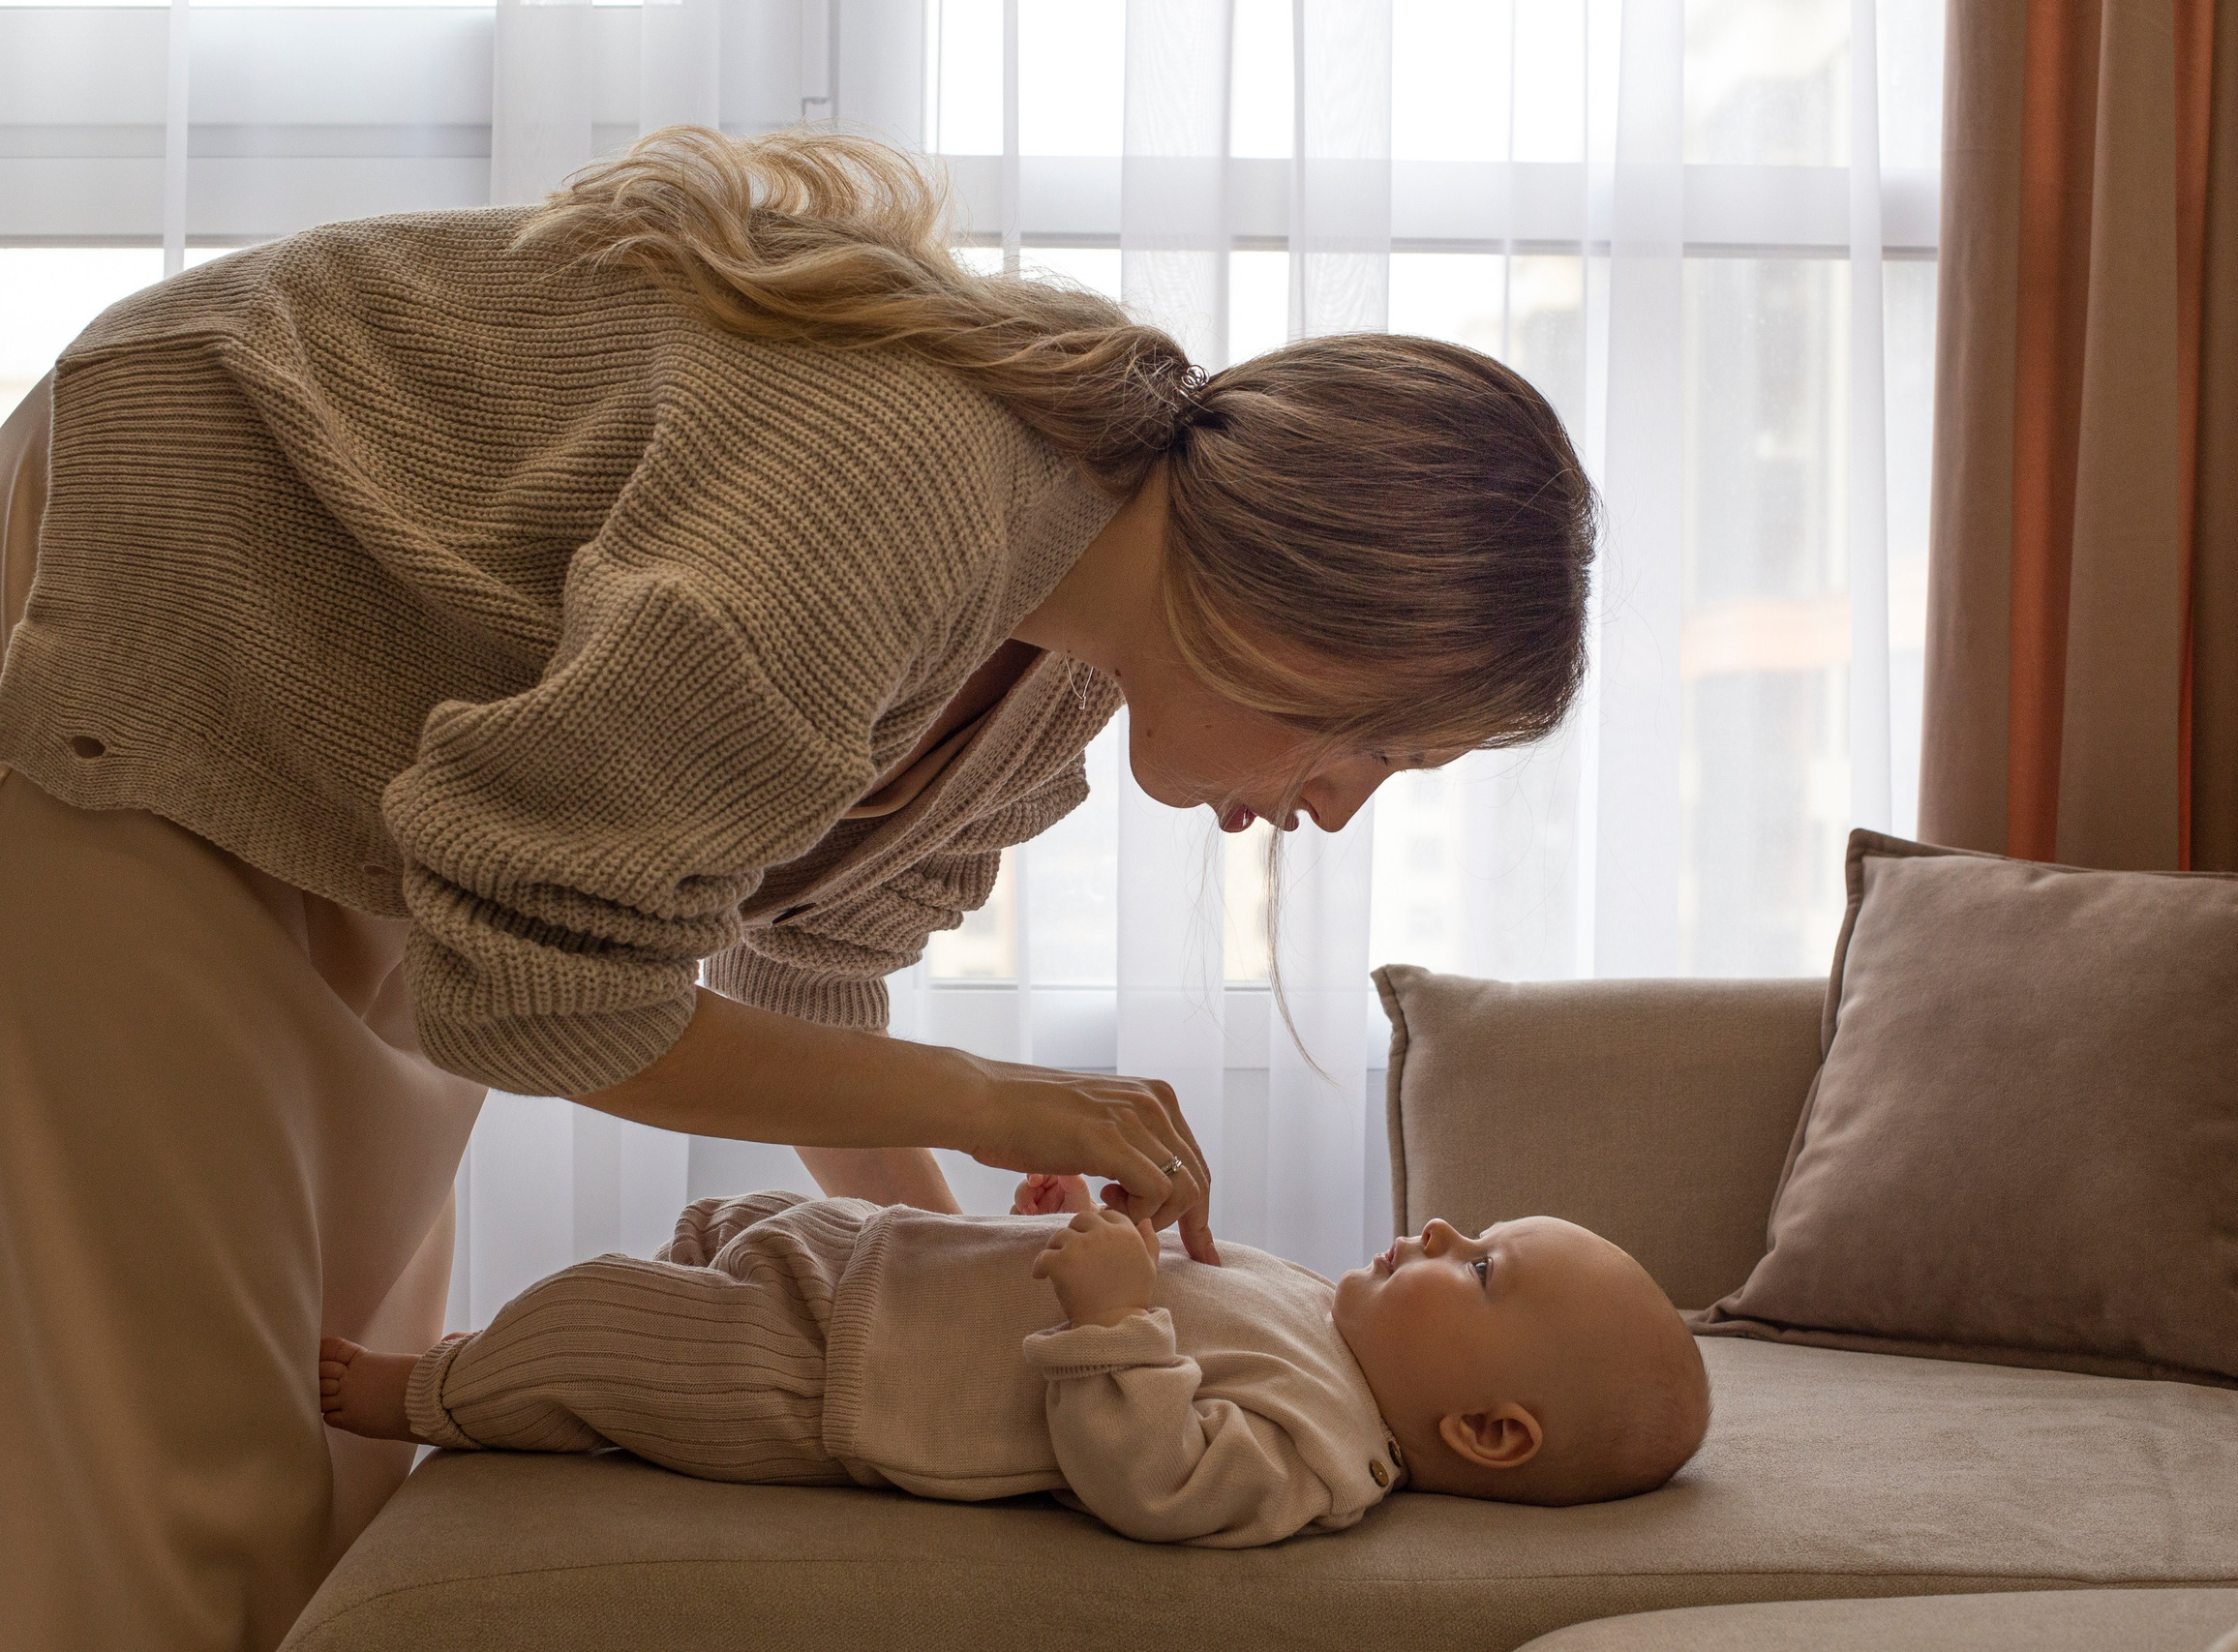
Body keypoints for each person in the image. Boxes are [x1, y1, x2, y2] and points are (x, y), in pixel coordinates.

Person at [0, 125, 1594, 1648]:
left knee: (328, 1423)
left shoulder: (1049, 683)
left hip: (378, 761)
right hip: (165, 591)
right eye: (1381, 750)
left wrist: (982, 1293)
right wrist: (992, 1101)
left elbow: (801, 975)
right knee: (185, 1472)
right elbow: (543, 999)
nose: (1331, 810)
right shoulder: (886, 511)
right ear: (1322, 617)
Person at [318, 1175, 1710, 1547]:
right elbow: (1164, 1287)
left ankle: (426, 1390)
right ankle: (527, 1371)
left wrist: (1115, 1322)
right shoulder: (1313, 1308)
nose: (1446, 1227)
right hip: (877, 1269)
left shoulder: (1325, 1458)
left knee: (606, 1318)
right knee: (725, 1222)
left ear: (1487, 1432)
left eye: (1482, 1268)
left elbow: (1158, 1479)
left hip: (831, 1388)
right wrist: (1075, 1228)